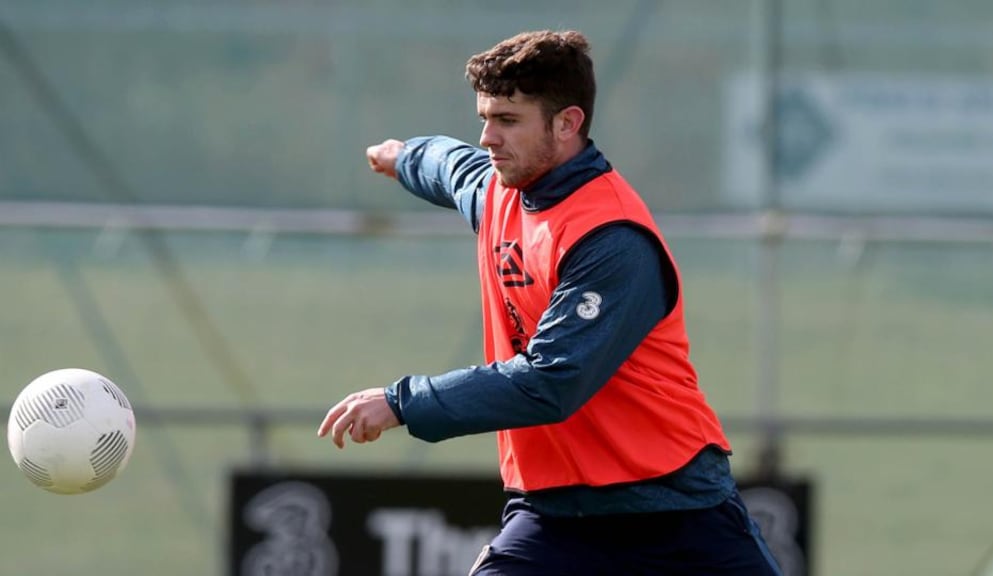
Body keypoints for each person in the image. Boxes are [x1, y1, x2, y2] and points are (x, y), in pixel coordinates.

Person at [317, 29, 782, 575]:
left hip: (675, 511)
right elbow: (449, 166)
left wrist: (403, 402)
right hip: (554, 515)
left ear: (567, 123)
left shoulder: (611, 237)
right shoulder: (498, 191)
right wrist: (403, 156)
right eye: (484, 118)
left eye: (508, 120)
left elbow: (552, 381)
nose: (488, 138)